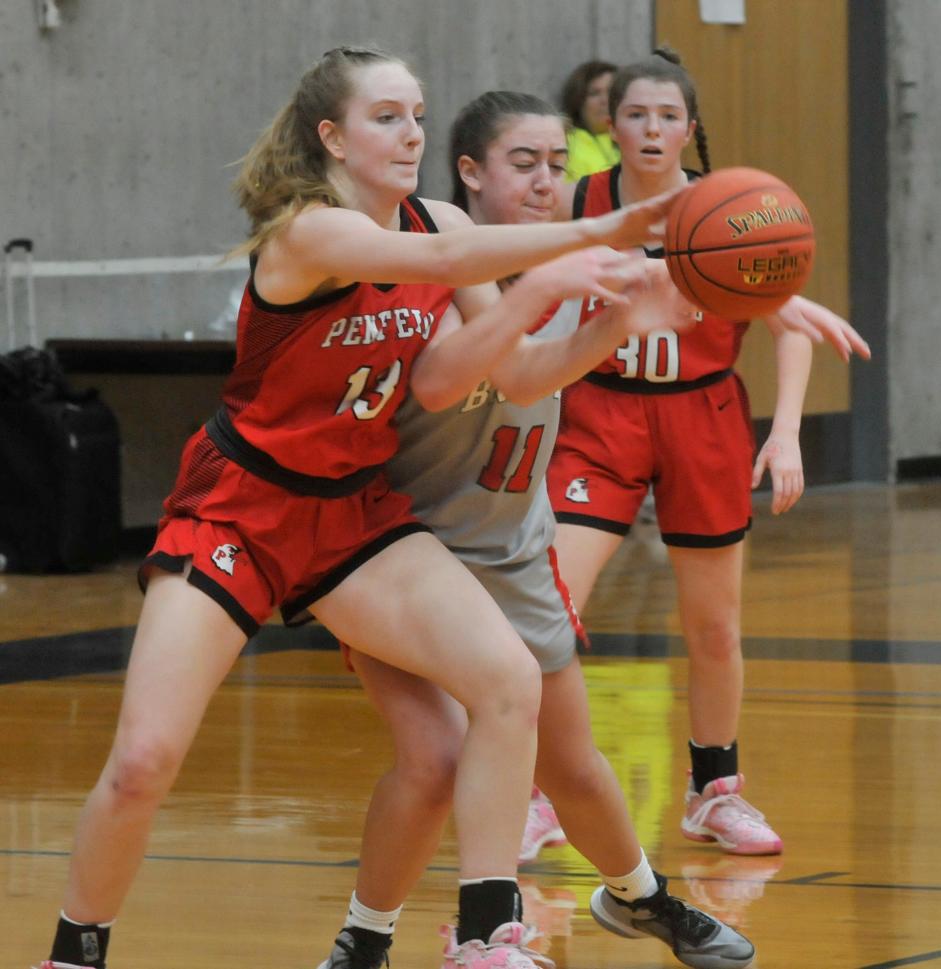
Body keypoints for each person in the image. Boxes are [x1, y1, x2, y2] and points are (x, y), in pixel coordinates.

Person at [30, 47, 686, 969]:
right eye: (387, 116)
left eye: (418, 112)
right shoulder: (308, 234)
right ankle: (75, 953)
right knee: (143, 762)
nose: (412, 131)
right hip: (242, 507)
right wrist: (603, 227)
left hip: (355, 511)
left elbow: (506, 358)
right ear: (330, 137)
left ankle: (486, 935)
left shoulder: (436, 219)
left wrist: (619, 310)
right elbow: (449, 256)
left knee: (505, 683)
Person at [318, 89, 756, 969]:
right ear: (469, 174)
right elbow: (501, 377)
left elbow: (593, 339)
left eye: (559, 166)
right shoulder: (422, 276)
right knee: (433, 758)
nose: (547, 183)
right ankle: (406, 936)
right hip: (405, 553)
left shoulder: (568, 272)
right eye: (524, 164)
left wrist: (776, 301)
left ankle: (644, 900)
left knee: (579, 768)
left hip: (514, 549)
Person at [545, 46, 868, 858]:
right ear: (610, 124)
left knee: (715, 627)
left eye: (667, 116)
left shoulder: (729, 207)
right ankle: (535, 789)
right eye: (635, 115)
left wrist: (788, 430)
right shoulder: (578, 205)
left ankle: (713, 791)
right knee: (548, 613)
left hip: (704, 415)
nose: (652, 129)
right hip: (598, 412)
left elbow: (787, 321)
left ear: (691, 128)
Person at [559, 59, 621, 181]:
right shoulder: (565, 144)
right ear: (578, 102)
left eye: (611, 92)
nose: (605, 100)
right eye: (594, 93)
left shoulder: (634, 142)